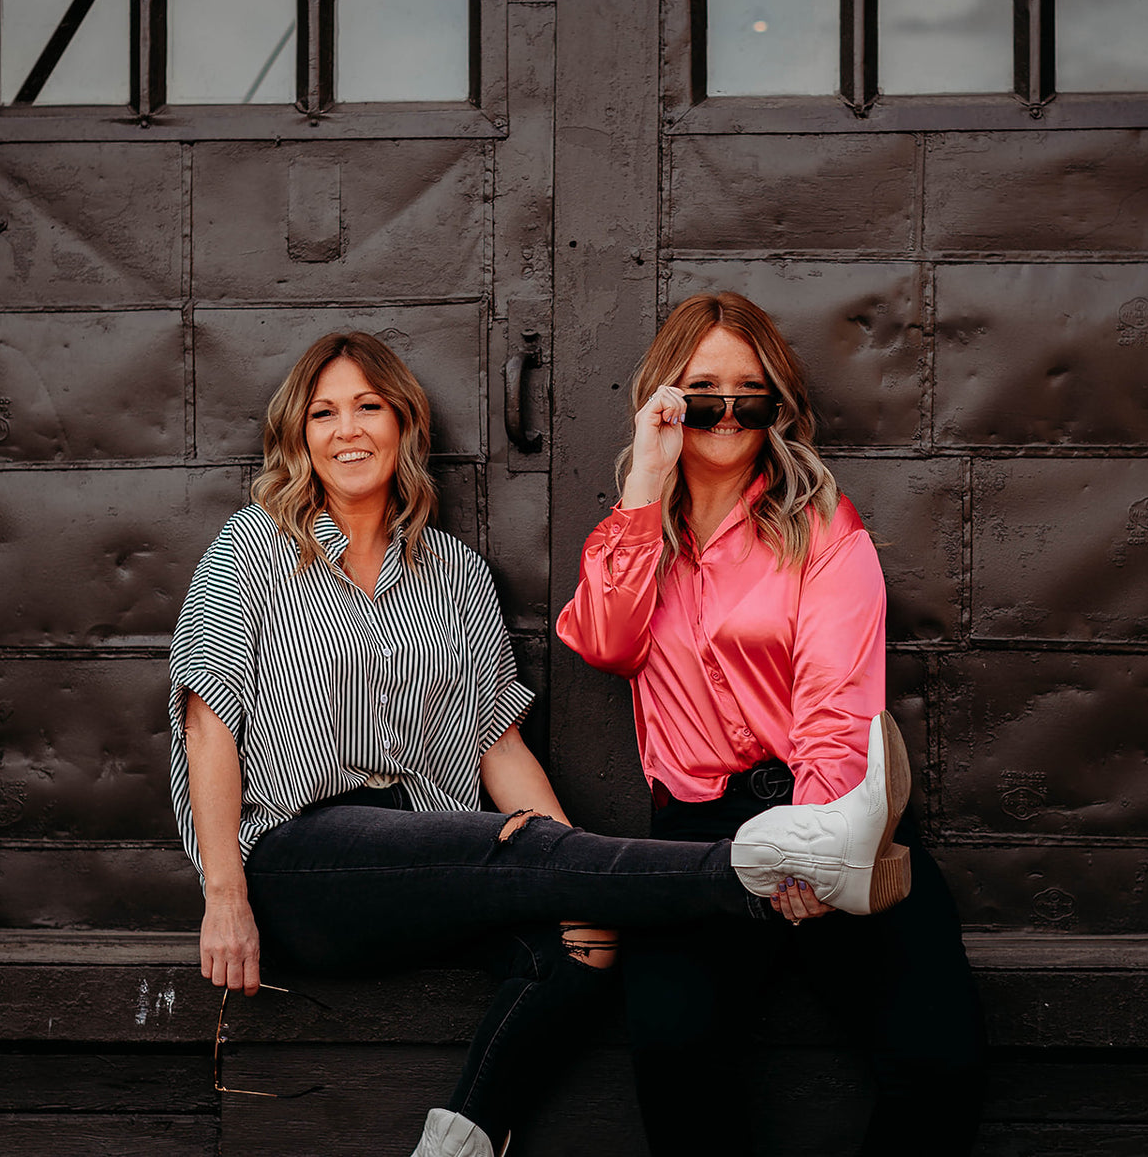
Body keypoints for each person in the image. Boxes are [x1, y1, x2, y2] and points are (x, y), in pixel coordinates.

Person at [169, 330, 914, 1157]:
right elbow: (209, 720)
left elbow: (497, 744)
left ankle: (461, 1141)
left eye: (369, 407)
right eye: (324, 413)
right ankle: (769, 862)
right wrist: (225, 895)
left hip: (436, 865)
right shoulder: (253, 548)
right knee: (507, 847)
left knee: (584, 942)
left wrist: (568, 870)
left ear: (403, 424)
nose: (348, 429)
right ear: (299, 434)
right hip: (301, 863)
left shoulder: (454, 573)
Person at [557, 292, 988, 1156]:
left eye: (748, 393)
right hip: (697, 840)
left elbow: (839, 696)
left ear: (776, 404)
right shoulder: (627, 539)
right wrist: (646, 480)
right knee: (675, 1063)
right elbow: (606, 642)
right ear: (665, 400)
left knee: (937, 1056)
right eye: (702, 392)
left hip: (829, 812)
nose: (726, 411)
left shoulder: (823, 526)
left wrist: (818, 846)